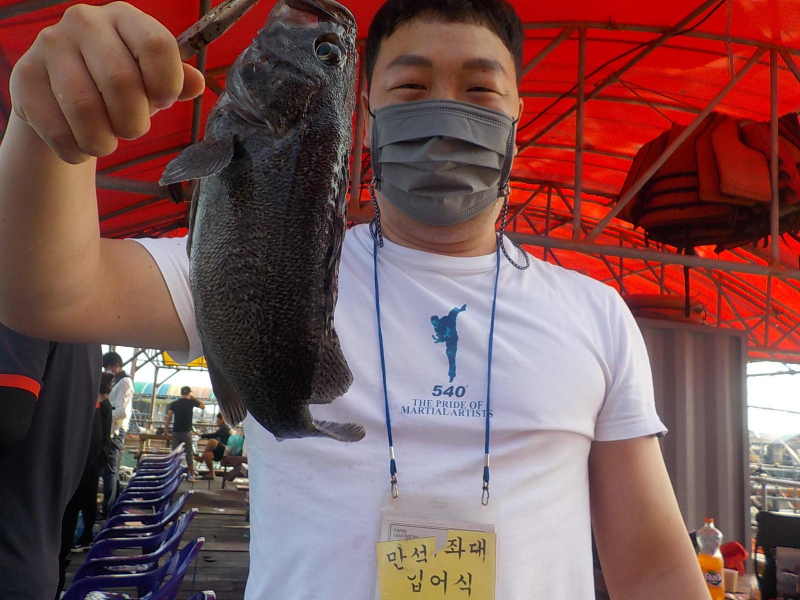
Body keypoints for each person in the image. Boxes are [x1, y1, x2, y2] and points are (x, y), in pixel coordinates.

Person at [0, 0, 712, 598]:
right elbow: (46, 293)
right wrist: (47, 129)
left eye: (479, 90)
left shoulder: (597, 314)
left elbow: (652, 565)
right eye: (411, 87)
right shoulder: (255, 260)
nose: (444, 111)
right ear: (365, 114)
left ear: (518, 114)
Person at [0, 323, 100, 600]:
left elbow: (6, 422)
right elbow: (93, 442)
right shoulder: (87, 335)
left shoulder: (16, 307)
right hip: (35, 562)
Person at [55, 371, 114, 597]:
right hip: (83, 471)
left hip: (79, 474)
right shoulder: (95, 403)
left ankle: (84, 538)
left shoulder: (93, 404)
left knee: (67, 523)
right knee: (68, 525)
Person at [101, 351, 133, 515]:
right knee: (111, 470)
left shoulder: (124, 382)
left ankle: (108, 508)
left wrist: (103, 414)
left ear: (116, 365)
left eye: (108, 367)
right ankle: (114, 505)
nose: (107, 371)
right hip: (112, 429)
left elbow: (121, 411)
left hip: (116, 430)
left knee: (110, 470)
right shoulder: (118, 381)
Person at [164, 385, 205, 478]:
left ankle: (173, 475)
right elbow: (203, 406)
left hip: (175, 431)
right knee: (189, 453)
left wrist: (165, 430)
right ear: (189, 393)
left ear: (181, 393)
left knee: (175, 453)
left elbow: (169, 417)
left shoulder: (174, 403)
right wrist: (194, 398)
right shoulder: (191, 402)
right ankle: (191, 475)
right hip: (186, 432)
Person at [194, 413, 232, 480]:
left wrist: (201, 435)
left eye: (218, 420)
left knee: (212, 441)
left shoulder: (225, 427)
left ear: (222, 419)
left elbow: (214, 435)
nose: (216, 421)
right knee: (207, 455)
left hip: (226, 450)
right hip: (221, 450)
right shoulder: (223, 428)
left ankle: (201, 458)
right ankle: (211, 473)